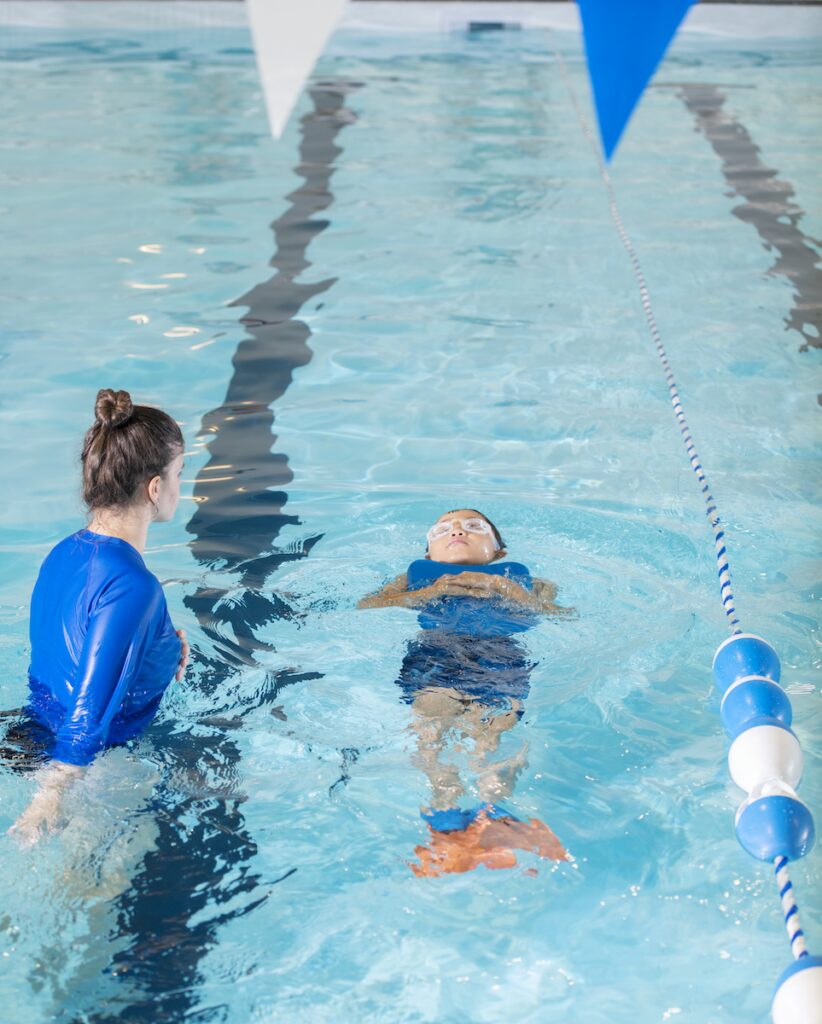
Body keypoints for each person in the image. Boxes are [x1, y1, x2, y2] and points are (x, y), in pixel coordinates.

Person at [6, 388, 189, 845]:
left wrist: (164, 650)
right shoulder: (134, 585)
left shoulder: (64, 551)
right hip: (92, 767)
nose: (179, 488)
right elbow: (91, 710)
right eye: (178, 474)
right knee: (91, 896)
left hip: (28, 732)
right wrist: (51, 794)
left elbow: (67, 651)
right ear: (153, 488)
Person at [359, 508, 573, 876]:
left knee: (491, 732)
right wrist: (433, 591)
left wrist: (510, 592)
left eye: (474, 527)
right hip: (435, 654)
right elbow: (367, 605)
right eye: (442, 529)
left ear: (498, 551)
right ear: (429, 555)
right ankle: (444, 812)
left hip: (501, 659)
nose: (457, 531)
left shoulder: (531, 581)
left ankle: (495, 812)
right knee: (431, 725)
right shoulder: (415, 578)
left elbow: (559, 614)